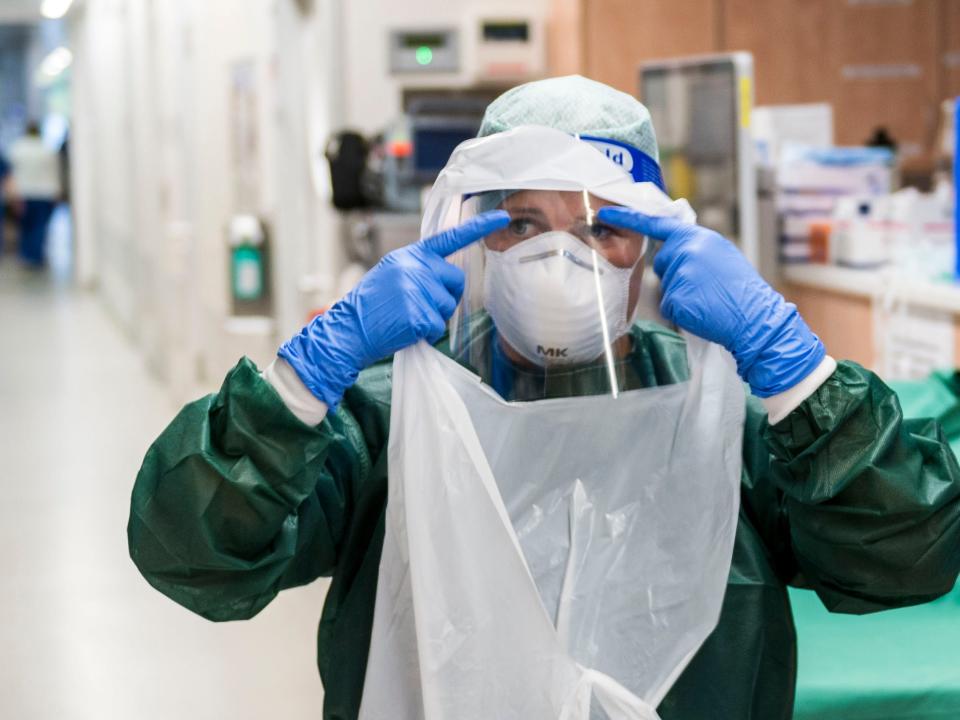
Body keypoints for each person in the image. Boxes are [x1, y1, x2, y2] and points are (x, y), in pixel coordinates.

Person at [128, 76, 960, 720]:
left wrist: (797, 370)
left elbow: (907, 555)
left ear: (653, 244)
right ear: (474, 231)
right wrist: (303, 379)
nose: (561, 258)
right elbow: (192, 555)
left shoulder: (724, 426)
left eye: (603, 228)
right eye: (523, 225)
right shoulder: (389, 421)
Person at [8, 121, 61, 266]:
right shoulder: (47, 149)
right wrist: (57, 192)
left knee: (26, 226)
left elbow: (12, 174)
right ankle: (36, 255)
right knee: (40, 226)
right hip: (45, 194)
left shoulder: (17, 148)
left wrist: (12, 195)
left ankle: (27, 254)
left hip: (24, 194)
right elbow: (54, 173)